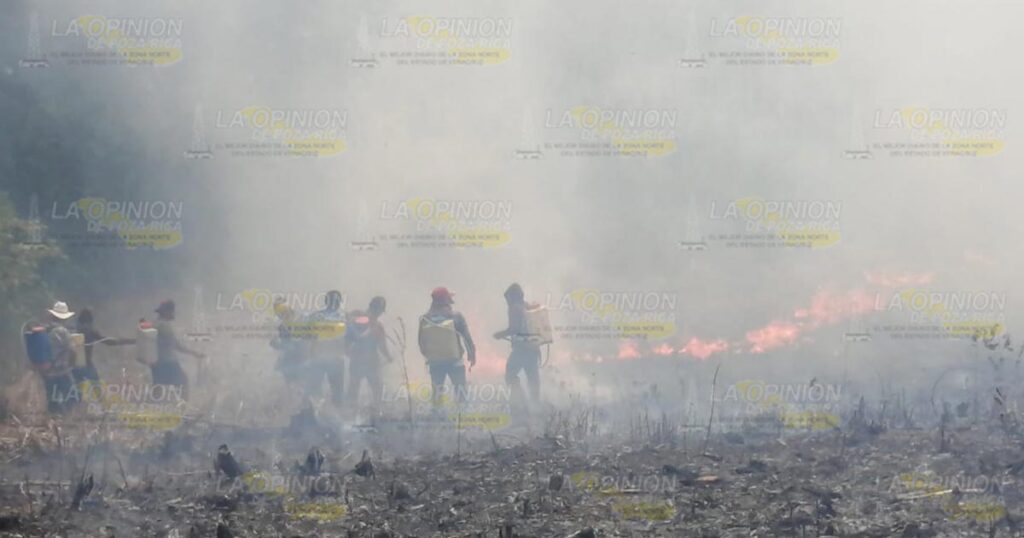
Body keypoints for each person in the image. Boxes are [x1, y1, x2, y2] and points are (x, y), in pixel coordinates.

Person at [418, 287, 475, 408]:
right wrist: (472, 354)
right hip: (455, 361)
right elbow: (467, 338)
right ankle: (462, 416)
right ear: (447, 300)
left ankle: (437, 418)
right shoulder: (456, 316)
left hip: (435, 363)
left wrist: (431, 356)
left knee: (437, 392)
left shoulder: (425, 318)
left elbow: (421, 343)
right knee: (460, 391)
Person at [493, 283, 541, 407]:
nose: (507, 301)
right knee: (533, 379)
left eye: (508, 298)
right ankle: (535, 405)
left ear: (512, 297)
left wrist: (500, 334)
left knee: (510, 375)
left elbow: (514, 329)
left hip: (521, 349)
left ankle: (519, 401)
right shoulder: (526, 306)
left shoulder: (514, 308)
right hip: (533, 348)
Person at [345, 296, 393, 413]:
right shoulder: (377, 326)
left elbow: (347, 339)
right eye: (381, 311)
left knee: (354, 387)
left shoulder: (356, 319)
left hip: (358, 359)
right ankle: (375, 412)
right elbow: (382, 346)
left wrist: (348, 352)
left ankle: (350, 412)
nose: (381, 313)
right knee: (376, 388)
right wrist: (389, 357)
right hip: (371, 361)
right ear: (379, 310)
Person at [152, 300, 205, 399]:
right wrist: (195, 353)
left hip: (157, 363)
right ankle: (183, 408)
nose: (173, 313)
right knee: (182, 382)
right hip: (168, 362)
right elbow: (177, 345)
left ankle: (154, 407)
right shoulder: (164, 326)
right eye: (172, 311)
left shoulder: (156, 324)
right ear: (166, 311)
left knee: (158, 387)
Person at [32, 301, 77, 414]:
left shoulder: (45, 329)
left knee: (52, 400)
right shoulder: (63, 332)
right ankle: (66, 422)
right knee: (72, 397)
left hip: (47, 371)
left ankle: (53, 422)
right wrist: (72, 365)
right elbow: (72, 350)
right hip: (61, 370)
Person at [305, 290, 347, 405]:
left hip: (322, 358)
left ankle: (317, 412)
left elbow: (307, 336)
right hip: (332, 359)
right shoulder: (344, 317)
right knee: (336, 391)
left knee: (317, 389)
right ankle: (333, 413)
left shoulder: (315, 316)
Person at [74, 307, 134, 386]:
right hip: (87, 364)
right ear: (90, 320)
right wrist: (131, 341)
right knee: (96, 387)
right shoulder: (91, 331)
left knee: (75, 390)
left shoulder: (75, 330)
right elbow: (109, 342)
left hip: (73, 365)